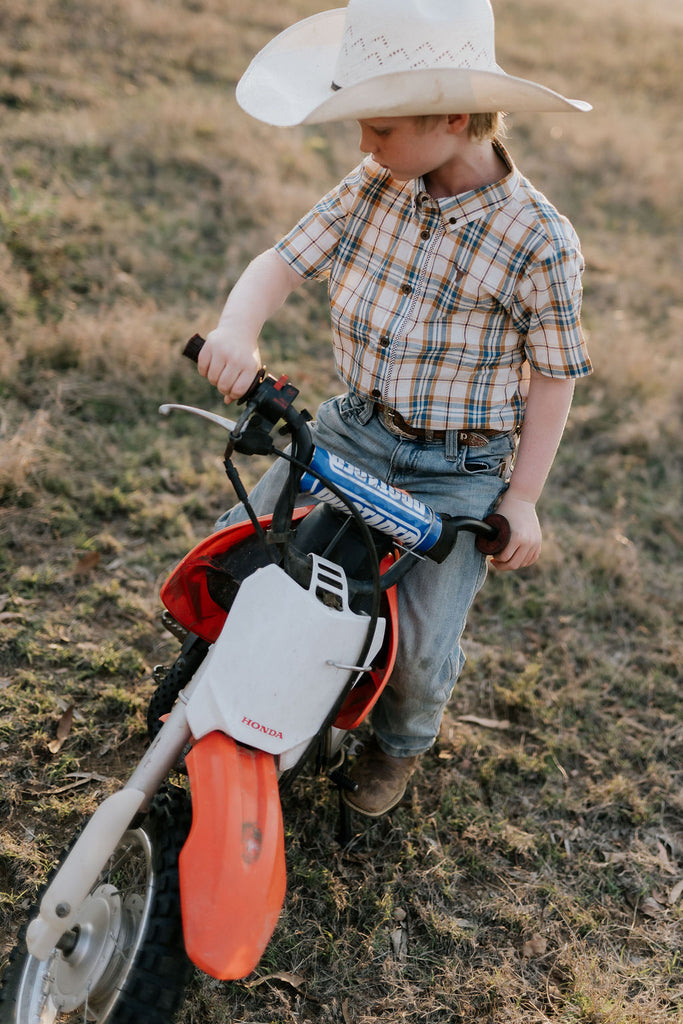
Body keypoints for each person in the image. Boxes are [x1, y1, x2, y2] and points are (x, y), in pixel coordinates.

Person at [197, 0, 593, 816]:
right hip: (352, 426)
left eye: (376, 128)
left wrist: (519, 498)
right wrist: (239, 327)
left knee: (417, 639)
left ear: (452, 115)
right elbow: (280, 263)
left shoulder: (539, 240)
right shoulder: (377, 182)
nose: (363, 146)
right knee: (240, 554)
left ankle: (396, 746)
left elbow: (553, 376)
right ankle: (221, 679)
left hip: (457, 468)